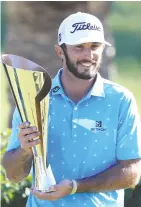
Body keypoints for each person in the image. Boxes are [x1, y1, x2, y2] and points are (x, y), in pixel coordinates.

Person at [2, 12, 141, 207]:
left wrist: (76, 186)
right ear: (60, 51)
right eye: (79, 47)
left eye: (95, 46)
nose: (88, 55)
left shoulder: (121, 100)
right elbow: (13, 175)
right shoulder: (34, 98)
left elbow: (131, 172)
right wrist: (24, 151)